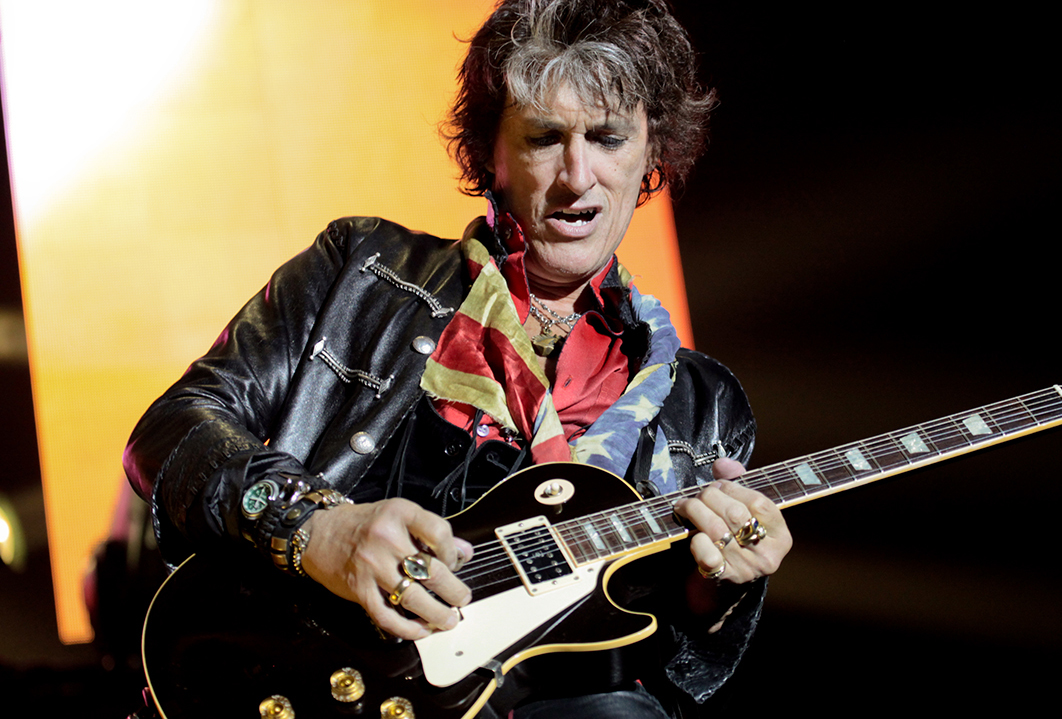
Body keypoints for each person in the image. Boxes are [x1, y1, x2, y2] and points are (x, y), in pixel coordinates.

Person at [124, 1, 791, 716]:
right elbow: (170, 432)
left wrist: (717, 587)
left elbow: (670, 665)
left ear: (651, 151)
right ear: (490, 153)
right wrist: (316, 528)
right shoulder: (361, 271)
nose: (577, 175)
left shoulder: (703, 402)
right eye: (544, 138)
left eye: (608, 137)